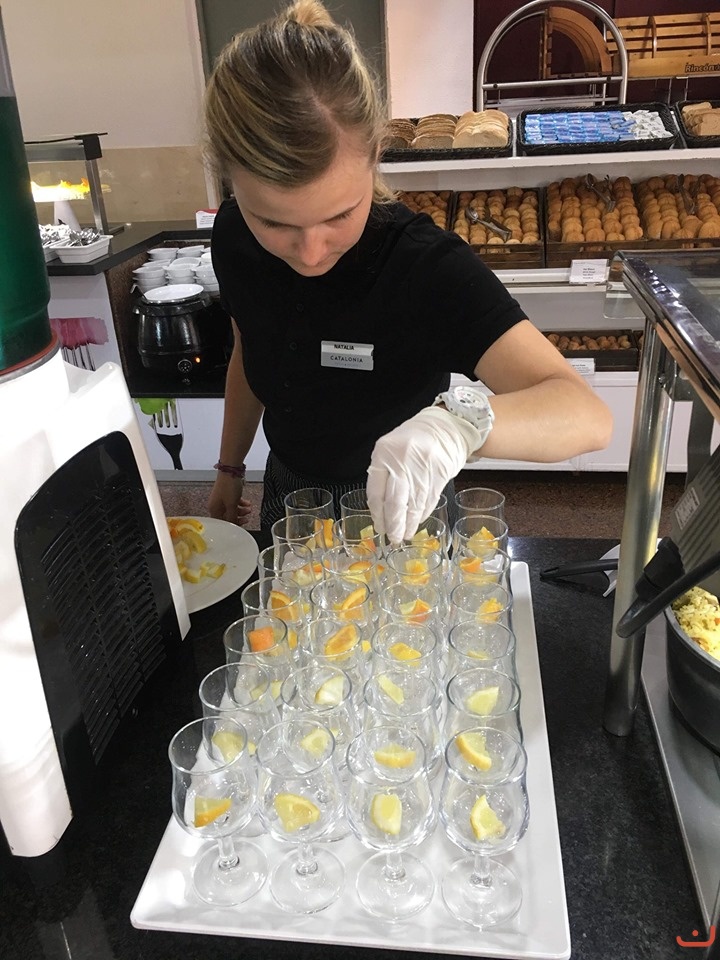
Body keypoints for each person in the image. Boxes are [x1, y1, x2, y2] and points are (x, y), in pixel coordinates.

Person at [204, 0, 612, 543]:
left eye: (339, 215)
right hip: (291, 493)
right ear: (230, 181)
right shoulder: (233, 236)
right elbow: (248, 346)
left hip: (403, 506)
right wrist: (230, 468)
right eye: (274, 223)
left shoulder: (423, 266)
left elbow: (585, 413)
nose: (310, 253)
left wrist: (457, 425)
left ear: (375, 155)